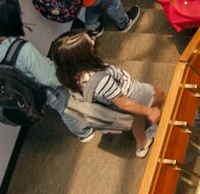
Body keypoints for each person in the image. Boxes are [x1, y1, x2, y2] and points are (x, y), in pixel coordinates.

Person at [0, 0, 98, 141]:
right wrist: (73, 75)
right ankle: (84, 132)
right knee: (67, 107)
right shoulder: (22, 50)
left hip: (12, 85)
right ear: (9, 20)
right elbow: (49, 78)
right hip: (38, 87)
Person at [50, 29, 164, 157]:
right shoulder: (102, 79)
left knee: (137, 117)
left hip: (111, 101)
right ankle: (160, 120)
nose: (93, 41)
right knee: (159, 94)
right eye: (89, 44)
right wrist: (150, 111)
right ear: (82, 56)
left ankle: (142, 143)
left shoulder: (70, 74)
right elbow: (124, 104)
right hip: (132, 93)